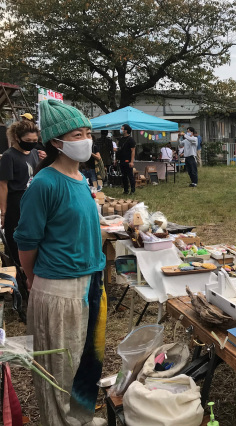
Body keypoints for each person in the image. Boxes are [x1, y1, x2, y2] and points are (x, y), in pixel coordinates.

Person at [14, 100, 106, 425]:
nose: (85, 139)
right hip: (59, 286)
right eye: (76, 133)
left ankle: (81, 416)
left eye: (87, 132)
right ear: (56, 142)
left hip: (92, 281)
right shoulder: (44, 184)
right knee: (60, 368)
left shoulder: (81, 178)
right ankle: (61, 421)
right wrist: (30, 277)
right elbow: (26, 241)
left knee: (87, 362)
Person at [0, 120, 40, 265]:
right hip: (15, 202)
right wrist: (3, 212)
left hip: (33, 201)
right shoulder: (8, 156)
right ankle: (18, 272)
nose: (31, 143)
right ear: (17, 137)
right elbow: (3, 185)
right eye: (28, 140)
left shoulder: (34, 153)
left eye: (35, 140)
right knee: (15, 240)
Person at [118, 124, 136, 195]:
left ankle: (132, 190)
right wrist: (116, 159)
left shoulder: (131, 140)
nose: (121, 130)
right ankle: (125, 190)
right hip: (121, 160)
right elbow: (119, 150)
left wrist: (132, 161)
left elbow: (133, 151)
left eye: (122, 129)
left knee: (130, 175)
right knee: (123, 176)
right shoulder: (121, 139)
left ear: (126, 131)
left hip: (128, 160)